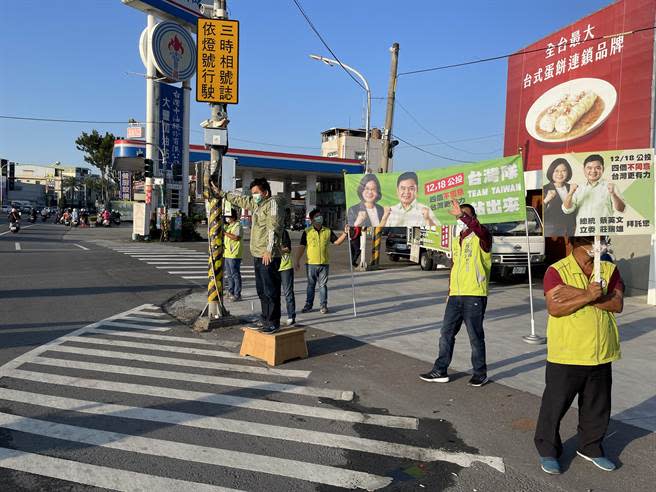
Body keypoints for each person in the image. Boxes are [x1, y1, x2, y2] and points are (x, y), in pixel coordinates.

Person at [534, 236, 624, 475]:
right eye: (594, 240)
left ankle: (591, 447)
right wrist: (587, 295)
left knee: (597, 405)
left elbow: (617, 304)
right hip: (567, 352)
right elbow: (555, 308)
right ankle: (548, 449)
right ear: (577, 242)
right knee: (555, 405)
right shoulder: (557, 270)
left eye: (602, 239)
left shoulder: (609, 268)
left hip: (601, 351)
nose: (601, 243)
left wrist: (575, 294)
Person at [419, 200, 492, 387]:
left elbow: (481, 231)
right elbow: (455, 267)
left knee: (475, 336)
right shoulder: (456, 240)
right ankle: (440, 369)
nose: (459, 218)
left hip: (474, 294)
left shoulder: (482, 237)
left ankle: (480, 373)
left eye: (463, 215)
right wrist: (450, 291)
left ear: (472, 218)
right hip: (456, 295)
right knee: (446, 333)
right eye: (458, 215)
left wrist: (464, 216)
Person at [221, 178, 287, 334]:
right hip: (258, 254)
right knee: (261, 290)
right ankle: (265, 318)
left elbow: (274, 227)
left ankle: (273, 322)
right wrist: (222, 194)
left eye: (256, 193)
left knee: (271, 290)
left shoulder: (272, 204)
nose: (254, 196)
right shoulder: (258, 204)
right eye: (253, 193)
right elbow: (241, 200)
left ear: (265, 192)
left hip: (268, 255)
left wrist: (269, 249)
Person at [295, 209, 349, 314]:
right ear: (311, 219)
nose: (320, 218)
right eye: (317, 216)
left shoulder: (328, 231)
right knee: (311, 286)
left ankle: (323, 305)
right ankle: (308, 305)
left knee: (323, 285)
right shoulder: (307, 232)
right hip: (311, 264)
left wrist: (345, 233)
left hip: (324, 264)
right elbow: (301, 247)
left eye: (320, 216)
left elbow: (337, 242)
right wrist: (296, 260)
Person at [562, 154, 625, 234]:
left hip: (605, 235)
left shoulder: (610, 186)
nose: (593, 171)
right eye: (589, 168)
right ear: (584, 170)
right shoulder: (578, 188)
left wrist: (613, 194)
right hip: (582, 235)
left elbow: (621, 209)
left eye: (598, 168)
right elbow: (567, 210)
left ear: (603, 169)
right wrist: (570, 193)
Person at [542, 157, 576, 237]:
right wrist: (546, 200)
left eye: (563, 171)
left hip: (571, 231)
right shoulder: (544, 189)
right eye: (556, 171)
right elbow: (538, 212)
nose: (560, 174)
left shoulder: (573, 188)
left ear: (568, 172)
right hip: (552, 233)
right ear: (551, 172)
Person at [223, 208, 243, 302]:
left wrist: (225, 233)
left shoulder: (237, 225)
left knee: (235, 274)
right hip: (227, 253)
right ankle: (230, 292)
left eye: (228, 216)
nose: (227, 218)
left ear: (233, 216)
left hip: (234, 254)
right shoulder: (229, 226)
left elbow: (236, 237)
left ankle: (237, 294)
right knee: (229, 275)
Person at [279, 228, 296, 326]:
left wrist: (278, 249)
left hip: (285, 267)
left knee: (288, 293)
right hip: (273, 267)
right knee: (274, 294)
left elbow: (288, 249)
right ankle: (275, 316)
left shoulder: (283, 232)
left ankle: (291, 316)